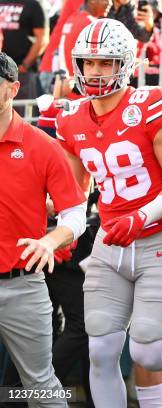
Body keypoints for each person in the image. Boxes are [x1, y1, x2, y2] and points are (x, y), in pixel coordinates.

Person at [54, 18, 162, 408]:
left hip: (159, 237)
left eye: (106, 63)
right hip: (109, 241)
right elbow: (72, 194)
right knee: (99, 349)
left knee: (147, 352)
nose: (95, 72)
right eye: (89, 63)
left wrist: (141, 217)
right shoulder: (70, 119)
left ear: (126, 64)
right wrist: (46, 223)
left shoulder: (153, 104)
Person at [0, 51, 86, 407]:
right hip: (23, 282)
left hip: (23, 284)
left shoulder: (41, 146)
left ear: (13, 89)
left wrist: (50, 240)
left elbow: (75, 212)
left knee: (40, 386)